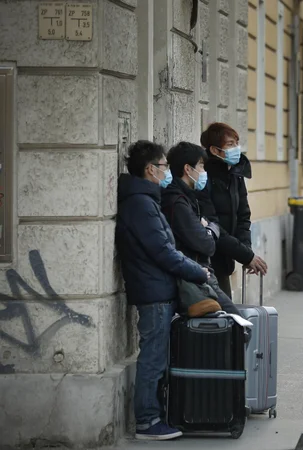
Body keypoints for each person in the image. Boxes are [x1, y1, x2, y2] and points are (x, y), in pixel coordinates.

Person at [116, 140, 210, 441]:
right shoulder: (141, 205)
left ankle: (153, 415)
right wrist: (197, 272)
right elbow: (163, 251)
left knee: (157, 357)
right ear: (149, 170)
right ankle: (147, 420)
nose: (166, 171)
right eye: (162, 166)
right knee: (153, 358)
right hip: (154, 294)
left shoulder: (147, 201)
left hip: (158, 289)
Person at [161, 141, 241, 316]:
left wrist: (207, 227)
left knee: (231, 327)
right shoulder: (177, 201)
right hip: (196, 278)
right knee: (237, 324)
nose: (204, 172)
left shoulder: (189, 197)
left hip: (199, 274)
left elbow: (207, 227)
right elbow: (207, 245)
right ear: (188, 169)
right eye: (201, 166)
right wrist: (211, 229)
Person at [198, 123, 268, 297]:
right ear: (214, 150)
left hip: (225, 258)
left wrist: (246, 251)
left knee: (226, 315)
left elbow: (243, 216)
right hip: (207, 259)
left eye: (237, 143)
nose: (237, 148)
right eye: (230, 144)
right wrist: (245, 256)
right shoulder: (203, 177)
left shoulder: (236, 174)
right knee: (221, 315)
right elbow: (212, 225)